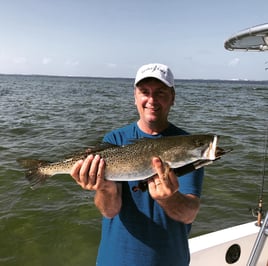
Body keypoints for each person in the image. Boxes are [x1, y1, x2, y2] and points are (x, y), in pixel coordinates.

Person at [71, 63, 204, 266]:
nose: (152, 100)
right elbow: (109, 211)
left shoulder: (187, 144)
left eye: (160, 92)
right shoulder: (114, 139)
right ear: (135, 97)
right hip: (115, 259)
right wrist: (105, 188)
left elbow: (189, 214)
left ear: (173, 98)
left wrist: (169, 198)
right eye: (144, 92)